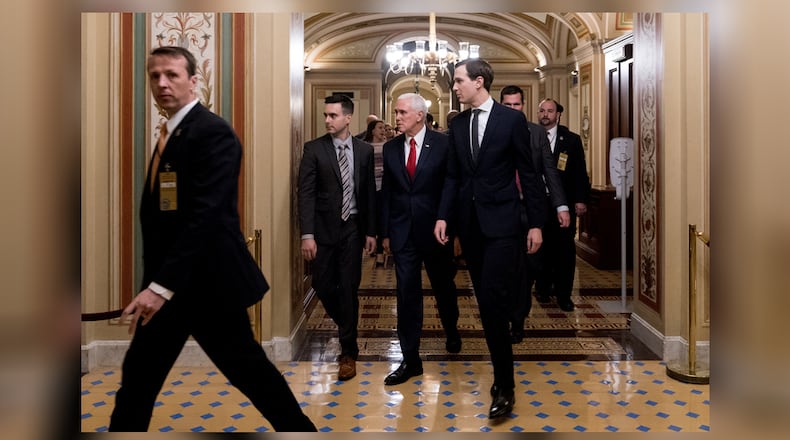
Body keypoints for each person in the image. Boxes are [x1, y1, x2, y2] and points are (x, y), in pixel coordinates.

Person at [109, 46, 316, 432]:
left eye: (171, 74)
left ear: (193, 79)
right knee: (138, 380)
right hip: (174, 289)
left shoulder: (213, 132)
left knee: (251, 374)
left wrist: (159, 286)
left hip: (208, 288)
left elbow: (204, 218)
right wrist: (158, 284)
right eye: (154, 75)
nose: (161, 83)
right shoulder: (174, 130)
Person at [434, 59, 546, 419]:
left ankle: (505, 385)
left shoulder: (510, 120)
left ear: (479, 82)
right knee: (485, 302)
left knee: (495, 301)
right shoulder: (460, 123)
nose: (455, 87)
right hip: (471, 228)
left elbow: (528, 173)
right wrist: (444, 216)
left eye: (459, 81)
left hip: (504, 225)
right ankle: (501, 378)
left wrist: (536, 224)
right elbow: (453, 176)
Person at [379, 93, 462, 386]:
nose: (397, 117)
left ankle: (451, 330)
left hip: (436, 232)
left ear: (418, 115)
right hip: (403, 233)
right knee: (407, 294)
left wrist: (449, 225)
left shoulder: (443, 144)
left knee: (443, 287)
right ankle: (410, 359)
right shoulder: (390, 148)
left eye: (402, 112)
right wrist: (386, 232)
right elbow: (387, 192)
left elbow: (452, 186)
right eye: (396, 112)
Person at [297, 94, 377, 381]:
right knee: (321, 283)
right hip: (323, 231)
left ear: (347, 118)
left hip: (353, 229)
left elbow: (367, 193)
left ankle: (348, 352)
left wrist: (371, 232)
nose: (328, 120)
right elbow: (304, 194)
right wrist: (307, 234)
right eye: (326, 115)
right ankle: (348, 325)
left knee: (348, 288)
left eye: (333, 115)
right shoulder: (314, 149)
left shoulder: (364, 151)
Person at [499, 85, 570, 343]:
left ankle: (518, 320)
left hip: (531, 210)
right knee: (503, 270)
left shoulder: (536, 133)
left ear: (523, 106)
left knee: (529, 268)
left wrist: (561, 205)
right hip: (502, 211)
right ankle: (504, 314)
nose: (512, 110)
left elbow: (550, 170)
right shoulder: (493, 131)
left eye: (517, 105)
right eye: (507, 105)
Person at [535, 98, 591, 311]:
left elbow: (579, 172)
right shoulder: (530, 135)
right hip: (538, 203)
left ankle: (564, 294)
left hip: (564, 205)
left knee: (564, 251)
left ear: (558, 114)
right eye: (542, 111)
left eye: (550, 111)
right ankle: (542, 288)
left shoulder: (571, 140)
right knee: (541, 249)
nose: (545, 114)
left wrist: (580, 199)